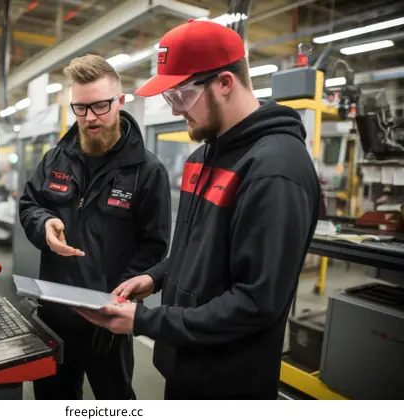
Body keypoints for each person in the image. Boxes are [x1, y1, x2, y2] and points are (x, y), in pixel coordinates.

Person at [76, 20, 321, 399]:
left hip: (230, 383)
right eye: (170, 99)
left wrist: (146, 320)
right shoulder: (202, 156)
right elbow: (197, 250)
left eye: (181, 96)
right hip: (186, 366)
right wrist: (155, 277)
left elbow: (256, 302)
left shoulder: (276, 170)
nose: (177, 111)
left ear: (225, 83)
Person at [18, 54, 172, 400]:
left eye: (100, 106)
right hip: (54, 315)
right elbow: (30, 205)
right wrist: (45, 225)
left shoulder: (146, 171)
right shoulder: (56, 158)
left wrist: (117, 300)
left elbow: (154, 246)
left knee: (115, 399)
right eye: (80, 108)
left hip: (109, 318)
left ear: (120, 101)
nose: (90, 118)